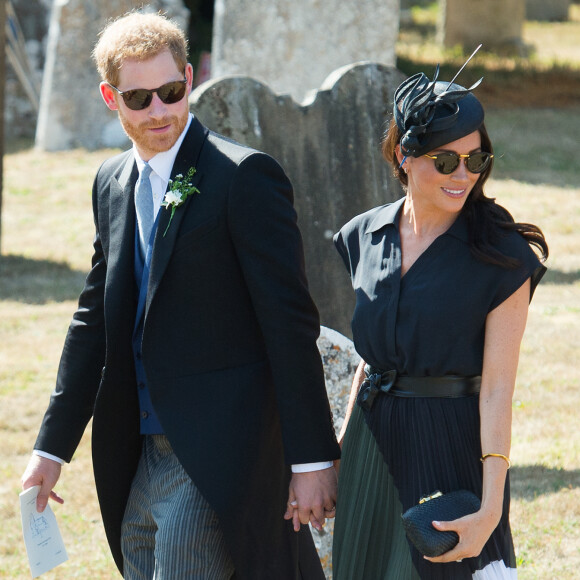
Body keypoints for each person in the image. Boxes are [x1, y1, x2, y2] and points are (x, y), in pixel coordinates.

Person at [21, 11, 340, 580]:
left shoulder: (244, 178)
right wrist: (51, 449)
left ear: (189, 78)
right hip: (137, 453)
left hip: (221, 451)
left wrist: (312, 459)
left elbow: (290, 326)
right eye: (138, 98)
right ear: (109, 97)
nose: (159, 111)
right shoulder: (111, 183)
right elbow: (94, 319)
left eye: (171, 91)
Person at [331, 66, 548, 579]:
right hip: (372, 442)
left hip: (451, 444)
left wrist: (491, 506)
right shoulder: (363, 234)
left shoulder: (503, 257)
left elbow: (497, 389)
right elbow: (371, 356)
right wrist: (340, 454)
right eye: (446, 159)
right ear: (404, 157)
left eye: (476, 160)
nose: (463, 175)